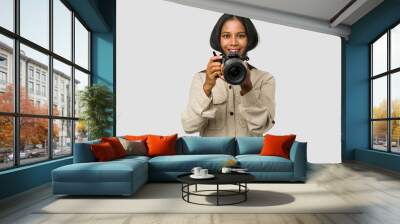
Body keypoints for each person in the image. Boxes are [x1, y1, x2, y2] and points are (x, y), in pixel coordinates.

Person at [181, 14, 275, 137]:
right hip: (214, 156)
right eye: (226, 36)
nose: (233, 42)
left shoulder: (265, 79)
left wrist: (247, 88)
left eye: (241, 36)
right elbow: (189, 127)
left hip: (248, 155)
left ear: (249, 39)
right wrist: (208, 86)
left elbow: (262, 126)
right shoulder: (201, 78)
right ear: (219, 39)